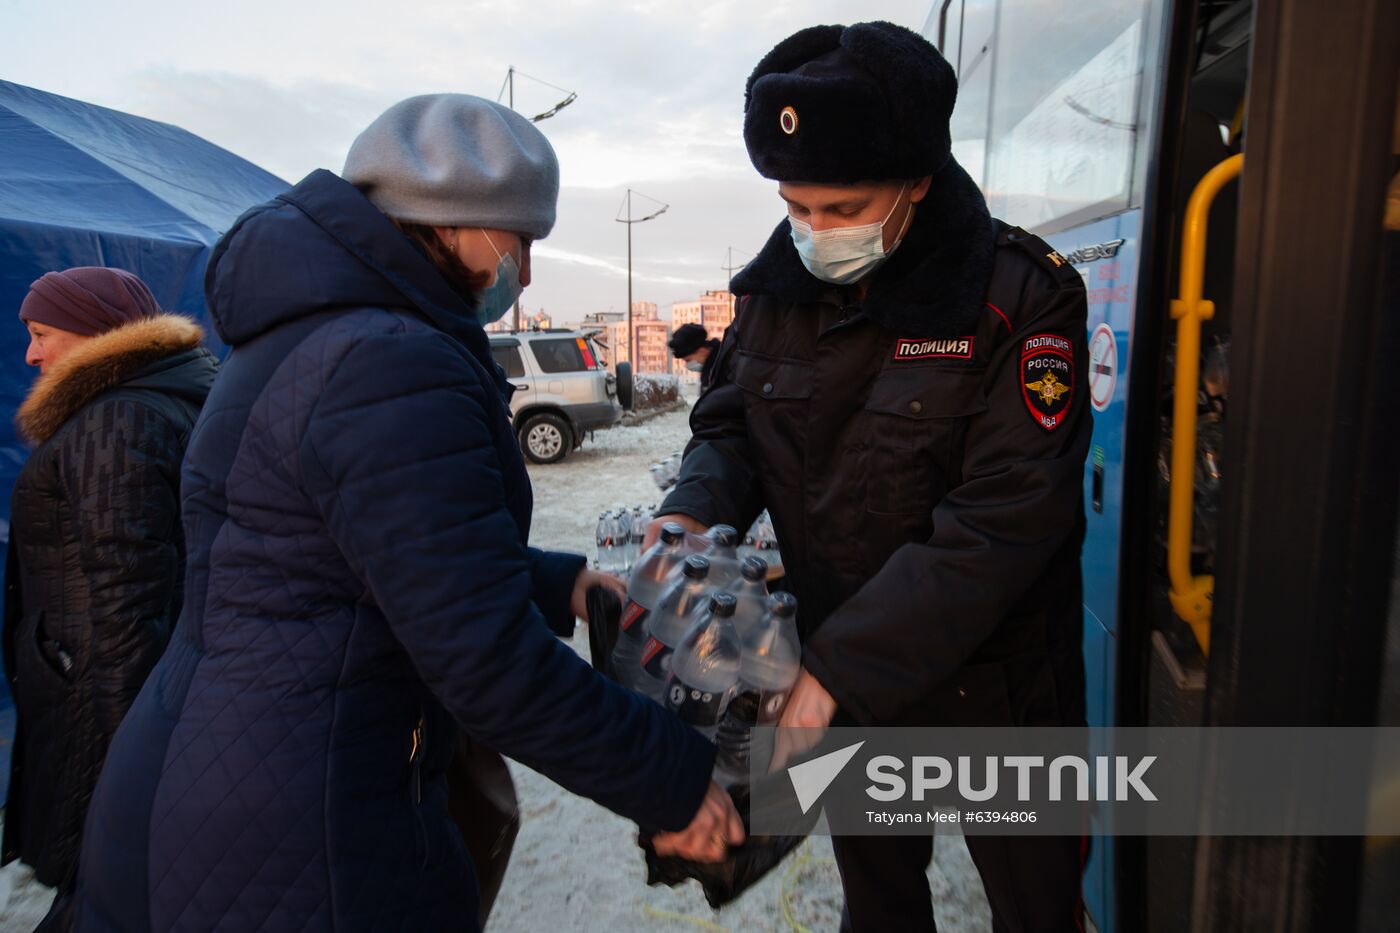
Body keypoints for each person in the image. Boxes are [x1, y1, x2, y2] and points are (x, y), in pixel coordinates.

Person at [74, 94, 742, 932]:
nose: (525, 272)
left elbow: (342, 551)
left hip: (212, 762)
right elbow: (486, 659)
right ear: (450, 219)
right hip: (305, 820)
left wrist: (559, 582)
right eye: (521, 240)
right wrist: (672, 780)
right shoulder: (391, 361)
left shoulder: (304, 333)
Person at [649, 22, 1091, 933]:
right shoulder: (774, 291)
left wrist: (835, 671)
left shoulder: (1021, 296)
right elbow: (731, 423)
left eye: (843, 208)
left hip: (996, 686)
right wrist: (693, 510)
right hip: (845, 678)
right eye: (795, 207)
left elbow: (1007, 517)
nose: (814, 233)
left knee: (1036, 904)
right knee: (881, 904)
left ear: (917, 182)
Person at [3, 267, 217, 932]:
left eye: (42, 334)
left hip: (99, 709)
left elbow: (129, 597)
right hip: (101, 691)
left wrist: (133, 752)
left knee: (104, 887)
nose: (31, 354)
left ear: (96, 333)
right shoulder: (151, 402)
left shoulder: (116, 421)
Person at [668, 323, 721, 391]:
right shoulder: (713, 367)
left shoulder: (722, 369)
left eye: (688, 360)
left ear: (702, 351)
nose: (687, 365)